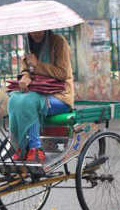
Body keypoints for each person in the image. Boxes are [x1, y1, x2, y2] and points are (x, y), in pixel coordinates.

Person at [8, 30, 74, 162]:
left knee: (31, 102)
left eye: (39, 30)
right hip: (37, 91)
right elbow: (26, 70)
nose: (36, 33)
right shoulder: (28, 45)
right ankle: (19, 146)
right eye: (32, 31)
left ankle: (35, 149)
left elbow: (63, 73)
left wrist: (37, 65)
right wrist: (25, 77)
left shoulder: (58, 42)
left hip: (60, 95)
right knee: (14, 99)